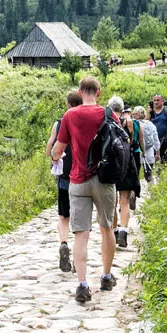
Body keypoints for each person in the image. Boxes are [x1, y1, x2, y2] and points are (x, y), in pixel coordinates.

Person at [51, 75, 118, 304]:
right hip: (104, 179)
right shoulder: (108, 113)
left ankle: (81, 284)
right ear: (98, 92)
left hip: (78, 181)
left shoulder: (70, 115)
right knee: (107, 228)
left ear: (80, 93)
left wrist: (55, 157)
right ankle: (106, 277)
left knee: (81, 234)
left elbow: (58, 149)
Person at [45, 89, 81, 273]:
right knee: (80, 220)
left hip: (64, 176)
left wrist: (54, 160)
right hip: (82, 176)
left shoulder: (59, 124)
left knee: (63, 215)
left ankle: (64, 243)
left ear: (68, 104)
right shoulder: (84, 122)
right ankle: (77, 256)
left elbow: (49, 148)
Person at [109, 96, 139, 249]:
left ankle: (114, 232)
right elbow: (131, 142)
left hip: (112, 166)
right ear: (122, 109)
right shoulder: (128, 122)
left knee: (112, 203)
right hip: (126, 163)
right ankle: (123, 232)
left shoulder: (106, 123)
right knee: (124, 200)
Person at [133, 105, 160, 184]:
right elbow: (156, 140)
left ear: (136, 115)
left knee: (135, 175)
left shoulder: (133, 124)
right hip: (149, 153)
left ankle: (134, 194)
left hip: (136, 152)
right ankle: (153, 192)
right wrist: (157, 153)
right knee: (149, 175)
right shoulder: (150, 124)